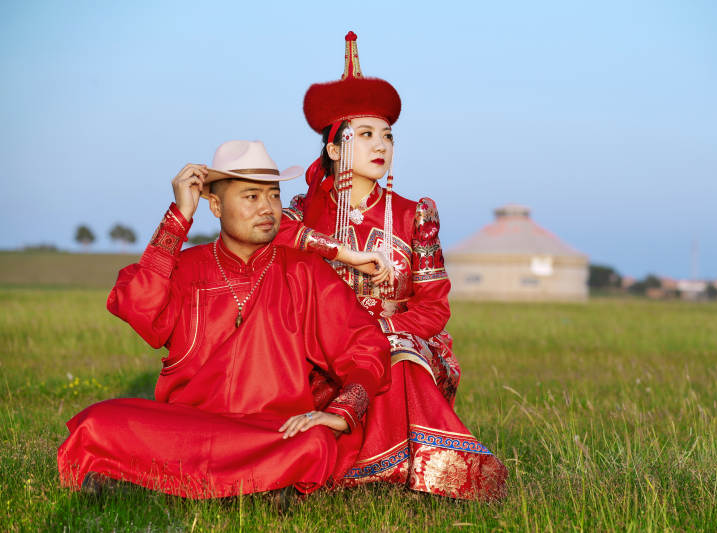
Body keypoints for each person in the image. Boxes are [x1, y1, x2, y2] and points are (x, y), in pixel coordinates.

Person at [57, 140, 391, 499]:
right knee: (99, 422)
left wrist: (342, 413)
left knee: (315, 440)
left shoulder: (305, 272)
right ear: (215, 205)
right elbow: (139, 307)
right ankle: (258, 488)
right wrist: (179, 217)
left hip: (271, 431)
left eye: (274, 196)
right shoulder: (187, 266)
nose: (267, 208)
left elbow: (367, 346)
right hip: (185, 428)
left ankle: (151, 483)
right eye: (251, 197)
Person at [283, 32, 507, 501]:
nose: (381, 144)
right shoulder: (303, 213)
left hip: (400, 342)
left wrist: (377, 332)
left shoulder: (414, 214)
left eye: (387, 134)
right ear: (333, 147)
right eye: (364, 134)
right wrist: (338, 256)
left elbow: (433, 308)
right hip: (321, 352)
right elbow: (270, 238)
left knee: (398, 356)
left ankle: (417, 474)